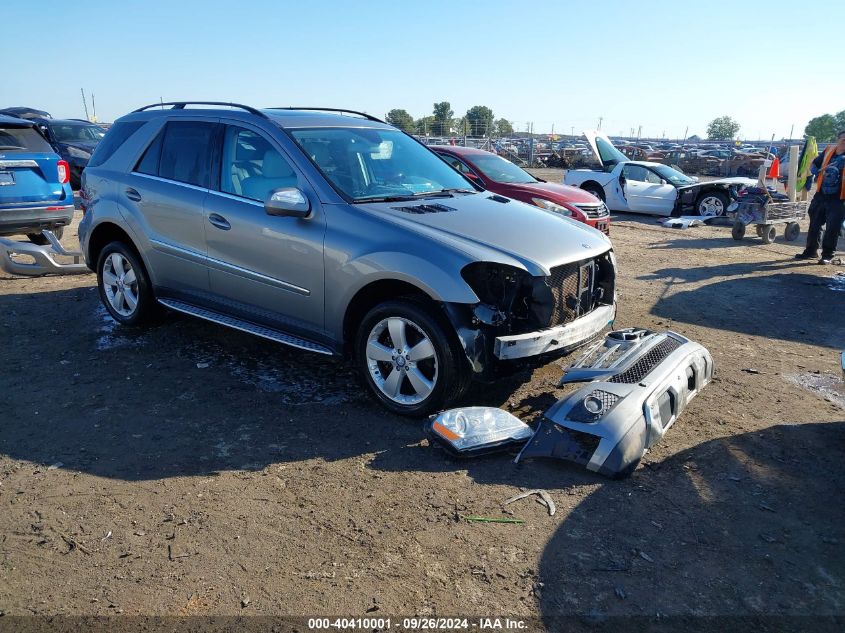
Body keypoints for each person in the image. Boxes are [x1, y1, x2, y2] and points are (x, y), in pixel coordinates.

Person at [795, 130, 845, 264]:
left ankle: (828, 255)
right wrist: (814, 169)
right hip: (821, 195)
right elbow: (815, 163)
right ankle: (811, 251)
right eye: (843, 139)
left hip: (839, 199)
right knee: (814, 225)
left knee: (832, 228)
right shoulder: (829, 150)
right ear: (838, 140)